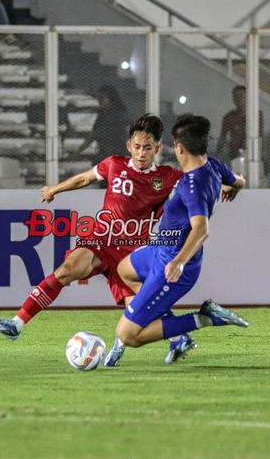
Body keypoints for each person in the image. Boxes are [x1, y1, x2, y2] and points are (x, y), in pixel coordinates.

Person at [0, 114, 197, 364]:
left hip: (131, 254)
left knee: (142, 308)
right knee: (66, 270)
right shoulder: (114, 165)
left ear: (158, 149)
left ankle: (178, 337)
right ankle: (17, 323)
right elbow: (85, 178)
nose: (142, 153)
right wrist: (55, 189)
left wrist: (227, 184)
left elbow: (199, 183)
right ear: (129, 146)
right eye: (137, 147)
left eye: (148, 148)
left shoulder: (168, 176)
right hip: (101, 240)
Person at [103, 114, 248, 367]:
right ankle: (177, 337)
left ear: (180, 148)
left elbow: (201, 229)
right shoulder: (214, 166)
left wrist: (179, 262)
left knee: (128, 335)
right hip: (160, 251)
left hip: (173, 264)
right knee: (124, 271)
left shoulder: (192, 185)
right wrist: (232, 188)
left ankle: (205, 318)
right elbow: (240, 180)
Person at [76, 85, 130, 166]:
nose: (99, 101)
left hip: (117, 153)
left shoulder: (119, 115)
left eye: (102, 98)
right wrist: (79, 151)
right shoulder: (102, 115)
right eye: (99, 98)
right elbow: (94, 134)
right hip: (104, 153)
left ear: (111, 99)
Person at [216, 85, 264, 166]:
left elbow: (260, 133)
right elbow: (222, 137)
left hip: (252, 151)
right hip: (234, 152)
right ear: (233, 99)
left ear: (247, 98)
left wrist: (260, 150)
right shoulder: (229, 117)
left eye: (241, 96)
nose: (238, 99)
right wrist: (217, 154)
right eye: (235, 96)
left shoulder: (256, 114)